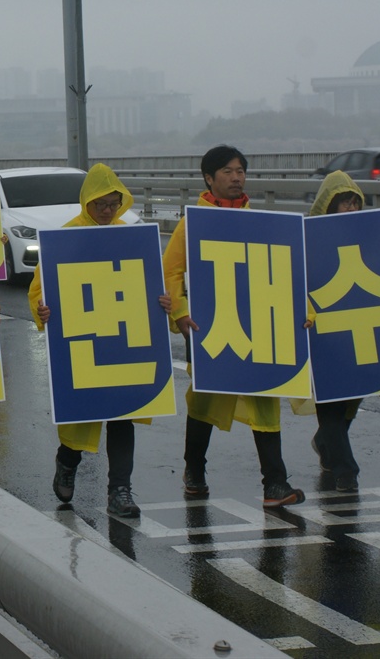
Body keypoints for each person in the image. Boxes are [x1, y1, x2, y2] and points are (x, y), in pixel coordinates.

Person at [164, 145, 305, 508]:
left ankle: (275, 483)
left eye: (241, 170)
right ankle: (194, 470)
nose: (237, 176)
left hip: (258, 325)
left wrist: (302, 310)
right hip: (213, 327)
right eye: (227, 171)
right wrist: (179, 313)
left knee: (265, 400)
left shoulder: (258, 220)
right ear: (209, 178)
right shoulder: (194, 222)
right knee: (205, 401)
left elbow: (287, 270)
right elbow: (171, 270)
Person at [29, 164, 172, 517]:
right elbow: (38, 289)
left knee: (124, 413)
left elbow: (150, 283)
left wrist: (163, 302)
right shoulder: (66, 236)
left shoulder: (130, 236)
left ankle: (120, 491)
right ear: (87, 203)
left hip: (122, 337)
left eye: (113, 204)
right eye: (101, 204)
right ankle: (67, 460)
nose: (108, 211)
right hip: (84, 340)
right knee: (81, 417)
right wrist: (41, 310)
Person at [305, 171, 368, 492]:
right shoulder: (306, 237)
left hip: (357, 330)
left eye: (356, 202)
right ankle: (346, 471)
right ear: (329, 204)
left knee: (353, 397)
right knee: (329, 399)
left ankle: (325, 443)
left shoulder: (368, 235)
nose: (352, 209)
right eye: (345, 202)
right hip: (322, 334)